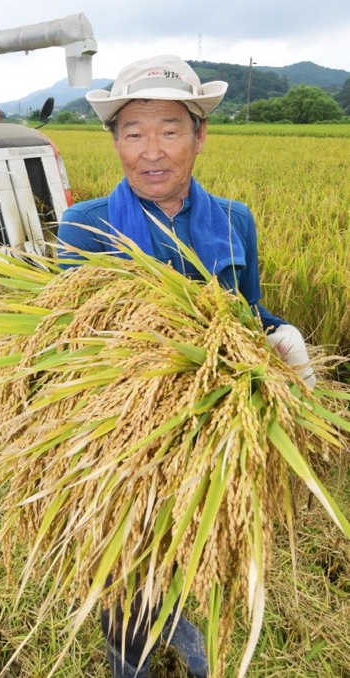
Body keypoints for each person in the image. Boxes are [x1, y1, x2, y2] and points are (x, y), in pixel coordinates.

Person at [57, 55, 315, 677]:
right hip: (123, 438)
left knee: (185, 547)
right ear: (114, 140)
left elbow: (246, 312)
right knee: (121, 560)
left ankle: (175, 620)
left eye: (171, 129)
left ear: (201, 135)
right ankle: (130, 658)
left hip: (208, 429)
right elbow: (76, 343)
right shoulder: (85, 227)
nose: (152, 151)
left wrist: (280, 334)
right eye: (134, 131)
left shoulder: (234, 219)